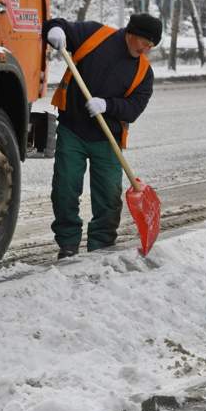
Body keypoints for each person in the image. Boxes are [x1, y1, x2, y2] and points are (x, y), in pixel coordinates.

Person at [43, 13, 162, 259]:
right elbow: (57, 25)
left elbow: (134, 108)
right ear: (132, 33)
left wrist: (108, 105)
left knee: (108, 196)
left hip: (108, 139)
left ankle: (101, 244)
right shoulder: (96, 35)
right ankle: (68, 243)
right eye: (145, 42)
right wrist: (54, 31)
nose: (147, 48)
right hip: (72, 128)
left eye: (152, 45)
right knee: (65, 188)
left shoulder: (143, 73)